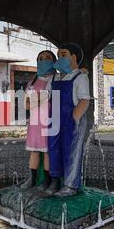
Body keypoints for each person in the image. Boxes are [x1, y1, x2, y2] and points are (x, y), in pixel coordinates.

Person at [46, 43, 90, 197]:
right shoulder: (54, 78)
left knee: (72, 151)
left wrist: (74, 118)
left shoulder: (80, 77)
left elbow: (85, 100)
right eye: (58, 56)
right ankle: (55, 180)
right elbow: (47, 96)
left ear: (74, 57)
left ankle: (70, 185)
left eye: (63, 55)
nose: (59, 58)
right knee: (53, 148)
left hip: (71, 120)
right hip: (55, 119)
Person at [21, 50, 56, 190]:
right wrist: (43, 97)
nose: (43, 60)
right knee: (34, 150)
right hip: (35, 122)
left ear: (54, 61)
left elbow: (34, 101)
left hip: (51, 120)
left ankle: (48, 181)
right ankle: (32, 179)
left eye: (47, 58)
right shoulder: (32, 81)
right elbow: (27, 105)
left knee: (47, 151)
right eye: (40, 58)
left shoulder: (57, 78)